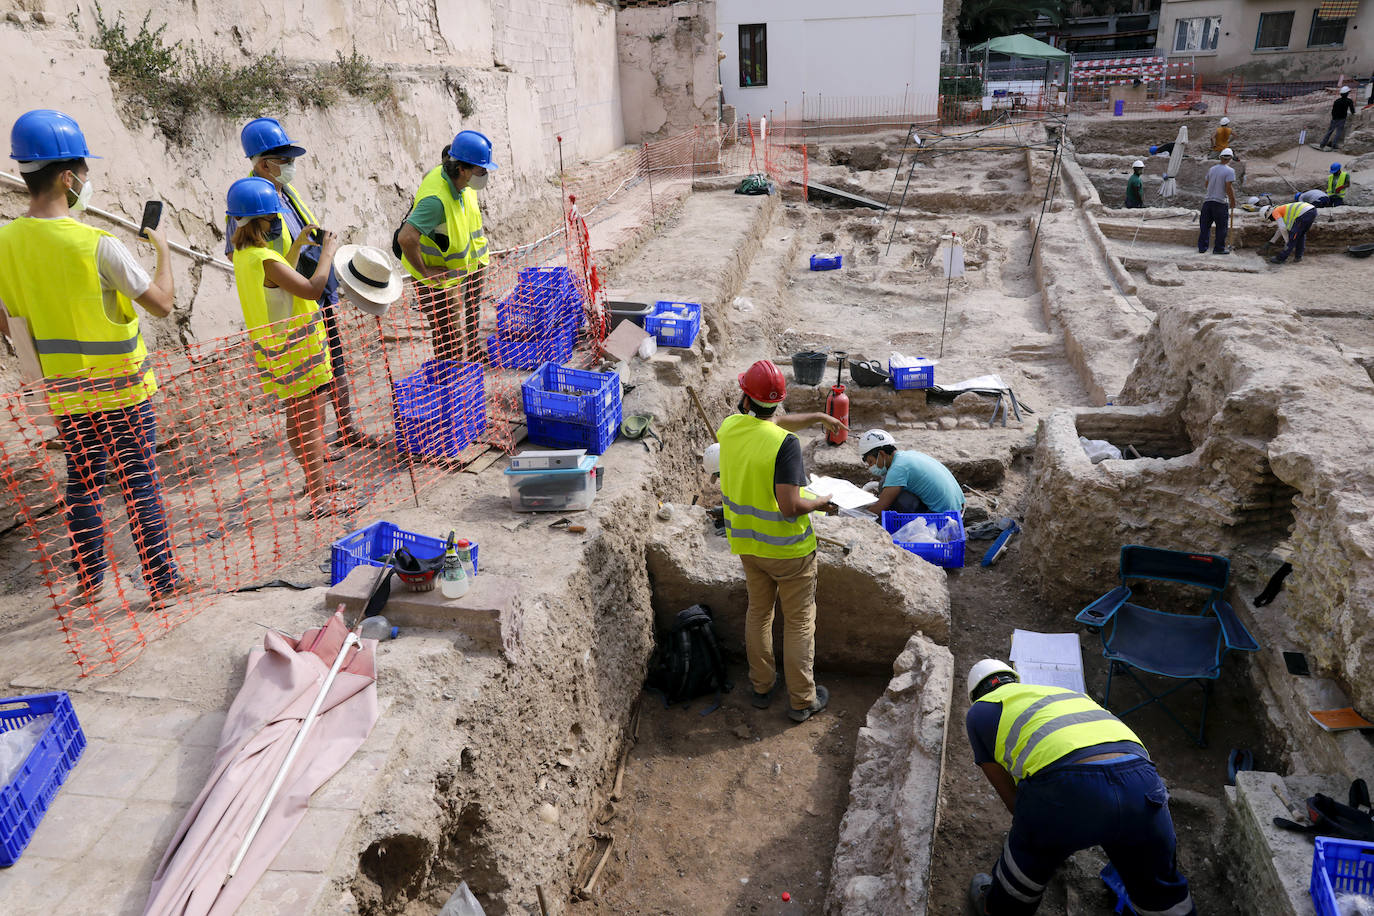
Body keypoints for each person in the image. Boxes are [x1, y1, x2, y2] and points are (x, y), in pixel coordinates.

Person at [0, 109, 191, 606]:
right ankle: (164, 584)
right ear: (67, 176)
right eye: (84, 172)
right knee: (139, 483)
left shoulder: (5, 243)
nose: (87, 180)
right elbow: (163, 304)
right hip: (121, 394)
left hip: (63, 394)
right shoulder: (97, 245)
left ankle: (88, 581)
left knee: (83, 484)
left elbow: (7, 319)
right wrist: (163, 251)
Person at [964, 660, 1195, 916]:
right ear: (1014, 679)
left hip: (1067, 786)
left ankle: (996, 907)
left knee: (1021, 872)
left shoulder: (979, 713)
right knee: (1161, 888)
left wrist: (1043, 841)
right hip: (1142, 779)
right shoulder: (1065, 693)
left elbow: (1011, 798)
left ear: (975, 696)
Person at [227, 118, 369, 451]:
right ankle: (316, 462)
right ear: (264, 163)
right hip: (293, 306)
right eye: (285, 160)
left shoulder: (285, 191)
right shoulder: (249, 203)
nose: (291, 166)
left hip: (317, 291)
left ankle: (344, 429)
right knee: (306, 396)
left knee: (333, 362)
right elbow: (247, 256)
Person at [717, 359, 845, 724]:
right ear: (777, 402)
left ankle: (761, 687)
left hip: (747, 544)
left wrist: (817, 418)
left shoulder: (730, 427)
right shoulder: (785, 446)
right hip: (789, 552)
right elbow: (790, 507)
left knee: (759, 613)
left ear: (746, 399)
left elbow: (767, 426)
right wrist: (821, 502)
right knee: (800, 622)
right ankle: (802, 700)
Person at [227, 176, 347, 519]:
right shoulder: (265, 258)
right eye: (274, 217)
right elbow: (312, 288)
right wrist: (327, 252)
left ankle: (315, 483)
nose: (278, 222)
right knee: (309, 426)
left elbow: (278, 281)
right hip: (301, 355)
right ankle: (320, 498)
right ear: (263, 220)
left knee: (297, 423)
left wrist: (296, 246)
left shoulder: (245, 255)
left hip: (278, 354)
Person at [398, 130, 495, 365]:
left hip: (470, 263)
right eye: (481, 170)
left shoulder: (463, 183)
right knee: (449, 339)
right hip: (440, 277)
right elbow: (406, 238)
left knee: (471, 312)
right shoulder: (435, 200)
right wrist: (424, 272)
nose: (485, 175)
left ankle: (471, 352)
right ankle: (450, 379)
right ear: (462, 168)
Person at [855, 429, 964, 515]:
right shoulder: (906, 456)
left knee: (891, 493)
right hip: (959, 508)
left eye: (871, 461)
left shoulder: (898, 468)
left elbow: (879, 508)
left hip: (944, 517)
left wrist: (858, 515)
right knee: (886, 483)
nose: (870, 467)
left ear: (882, 454)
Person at [1198, 148, 1236, 255]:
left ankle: (1202, 247)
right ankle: (1219, 248)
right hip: (1220, 202)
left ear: (1220, 157)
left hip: (1208, 201)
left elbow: (1206, 184)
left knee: (1205, 226)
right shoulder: (1230, 171)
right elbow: (1228, 187)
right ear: (1230, 158)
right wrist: (1233, 200)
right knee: (1221, 227)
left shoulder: (1212, 169)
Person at [1318, 87, 1356, 151]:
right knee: (1338, 132)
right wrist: (1353, 113)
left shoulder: (1337, 101)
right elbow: (1352, 110)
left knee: (1329, 131)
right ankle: (1334, 145)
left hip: (1334, 118)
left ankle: (1322, 144)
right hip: (1342, 118)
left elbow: (1333, 111)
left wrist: (1333, 117)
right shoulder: (1349, 101)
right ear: (1347, 94)